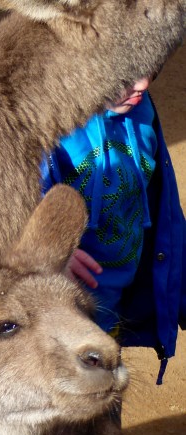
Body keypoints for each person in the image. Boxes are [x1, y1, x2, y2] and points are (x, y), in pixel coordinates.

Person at [40, 77, 186, 384]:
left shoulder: (142, 112)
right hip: (58, 311)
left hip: (113, 306)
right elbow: (11, 206)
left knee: (106, 393)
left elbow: (164, 210)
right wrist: (48, 250)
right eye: (129, 71)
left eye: (151, 70)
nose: (141, 83)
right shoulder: (50, 118)